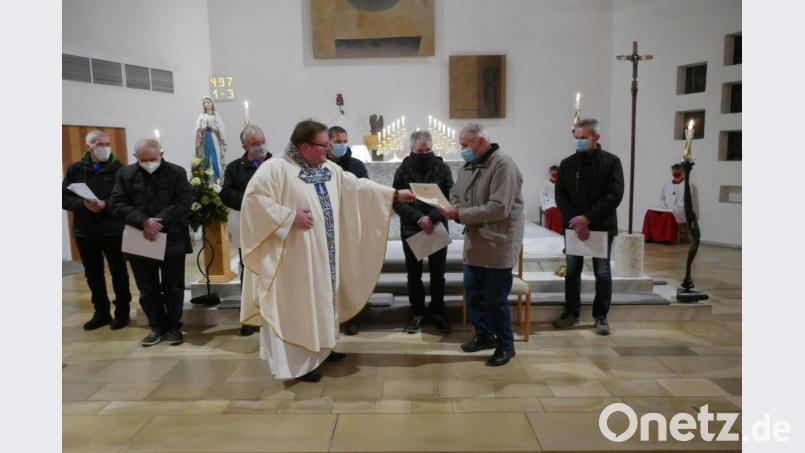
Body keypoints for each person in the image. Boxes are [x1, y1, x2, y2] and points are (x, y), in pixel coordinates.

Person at [239, 119, 416, 382]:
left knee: (323, 300)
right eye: (323, 145)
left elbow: (356, 186)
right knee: (300, 305)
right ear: (304, 146)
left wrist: (393, 194)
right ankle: (300, 365)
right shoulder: (275, 169)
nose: (329, 150)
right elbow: (253, 203)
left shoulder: (329, 168)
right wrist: (288, 217)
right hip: (294, 259)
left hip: (325, 256)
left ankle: (322, 349)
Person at [439, 123, 524, 366]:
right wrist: (454, 207)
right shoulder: (469, 165)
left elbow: (499, 207)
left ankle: (506, 345)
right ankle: (484, 334)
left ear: (482, 143)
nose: (462, 150)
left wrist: (459, 213)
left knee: (495, 299)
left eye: (465, 145)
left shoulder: (503, 165)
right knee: (473, 293)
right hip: (476, 242)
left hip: (498, 243)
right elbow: (456, 194)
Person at [109, 139, 193, 347]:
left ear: (161, 154)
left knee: (173, 286)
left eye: (153, 159)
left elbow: (183, 201)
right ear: (136, 157)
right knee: (147, 287)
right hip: (140, 237)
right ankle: (156, 327)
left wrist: (158, 222)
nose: (149, 163)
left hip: (171, 236)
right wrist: (143, 221)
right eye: (143, 160)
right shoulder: (125, 174)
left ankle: (174, 327)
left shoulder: (177, 172)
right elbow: (117, 203)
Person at [553, 118, 624, 336]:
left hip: (601, 226)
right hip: (574, 227)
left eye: (583, 138)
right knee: (572, 271)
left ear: (596, 138)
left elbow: (614, 194)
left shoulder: (611, 162)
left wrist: (588, 218)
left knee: (602, 273)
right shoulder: (567, 164)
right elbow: (561, 195)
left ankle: (601, 316)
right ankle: (572, 312)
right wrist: (576, 220)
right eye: (577, 138)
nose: (579, 142)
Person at [62, 130, 131, 330]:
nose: (105, 148)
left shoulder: (120, 169)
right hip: (86, 230)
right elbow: (64, 198)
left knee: (119, 272)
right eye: (101, 144)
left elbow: (125, 199)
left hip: (113, 229)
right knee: (93, 273)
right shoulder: (75, 169)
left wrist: (106, 205)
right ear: (89, 147)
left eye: (108, 144)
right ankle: (101, 312)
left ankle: (122, 312)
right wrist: (83, 204)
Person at [393, 130, 454, 334]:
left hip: (436, 227)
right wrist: (418, 218)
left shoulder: (442, 168)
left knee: (438, 275)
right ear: (411, 149)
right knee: (414, 275)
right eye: (420, 150)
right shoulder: (403, 170)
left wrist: (432, 218)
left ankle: (438, 312)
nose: (425, 153)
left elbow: (451, 197)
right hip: (412, 228)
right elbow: (395, 201)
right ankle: (417, 313)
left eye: (428, 149)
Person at [220, 124, 271, 336]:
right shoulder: (234, 167)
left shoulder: (276, 163)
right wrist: (250, 201)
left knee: (272, 267)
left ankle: (272, 313)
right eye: (254, 143)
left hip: (273, 222)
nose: (260, 146)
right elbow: (226, 193)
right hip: (248, 222)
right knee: (249, 268)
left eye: (261, 141)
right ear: (244, 146)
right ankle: (250, 317)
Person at [327, 125, 368, 336]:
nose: (342, 145)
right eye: (338, 141)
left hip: (351, 224)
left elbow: (366, 191)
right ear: (328, 142)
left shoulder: (357, 165)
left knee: (352, 272)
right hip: (328, 226)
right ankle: (331, 316)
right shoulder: (320, 165)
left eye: (345, 141)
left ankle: (354, 315)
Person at [642, 163, 686, 245]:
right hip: (666, 207)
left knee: (669, 214)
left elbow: (687, 201)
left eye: (677, 171)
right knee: (650, 212)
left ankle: (668, 239)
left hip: (680, 208)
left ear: (682, 171)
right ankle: (649, 237)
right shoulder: (667, 185)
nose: (675, 173)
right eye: (673, 171)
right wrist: (663, 205)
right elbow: (662, 198)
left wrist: (674, 207)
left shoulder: (687, 185)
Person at [194, 97, 227, 183]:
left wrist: (212, 127)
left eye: (208, 102)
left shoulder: (215, 115)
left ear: (212, 103)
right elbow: (197, 129)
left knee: (215, 159)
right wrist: (204, 127)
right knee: (206, 158)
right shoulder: (201, 116)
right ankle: (207, 181)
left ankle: (217, 181)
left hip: (214, 139)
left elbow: (221, 129)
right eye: (204, 103)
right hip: (205, 139)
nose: (206, 104)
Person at [540, 165, 563, 234]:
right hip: (549, 203)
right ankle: (551, 231)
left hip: (559, 202)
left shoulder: (561, 183)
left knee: (560, 211)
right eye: (553, 173)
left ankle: (559, 231)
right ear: (550, 174)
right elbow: (542, 195)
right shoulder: (546, 183)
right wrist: (544, 206)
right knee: (552, 210)